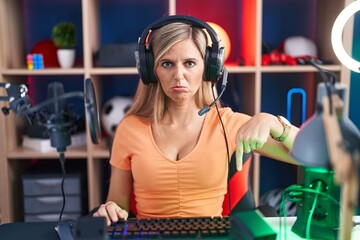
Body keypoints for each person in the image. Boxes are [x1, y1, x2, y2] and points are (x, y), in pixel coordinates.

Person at [93, 15, 299, 226]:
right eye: (167, 64)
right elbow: (118, 203)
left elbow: (319, 155)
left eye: (190, 63)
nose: (178, 75)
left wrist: (275, 124)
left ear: (209, 67)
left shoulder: (228, 124)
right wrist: (110, 210)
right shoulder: (129, 128)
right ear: (150, 70)